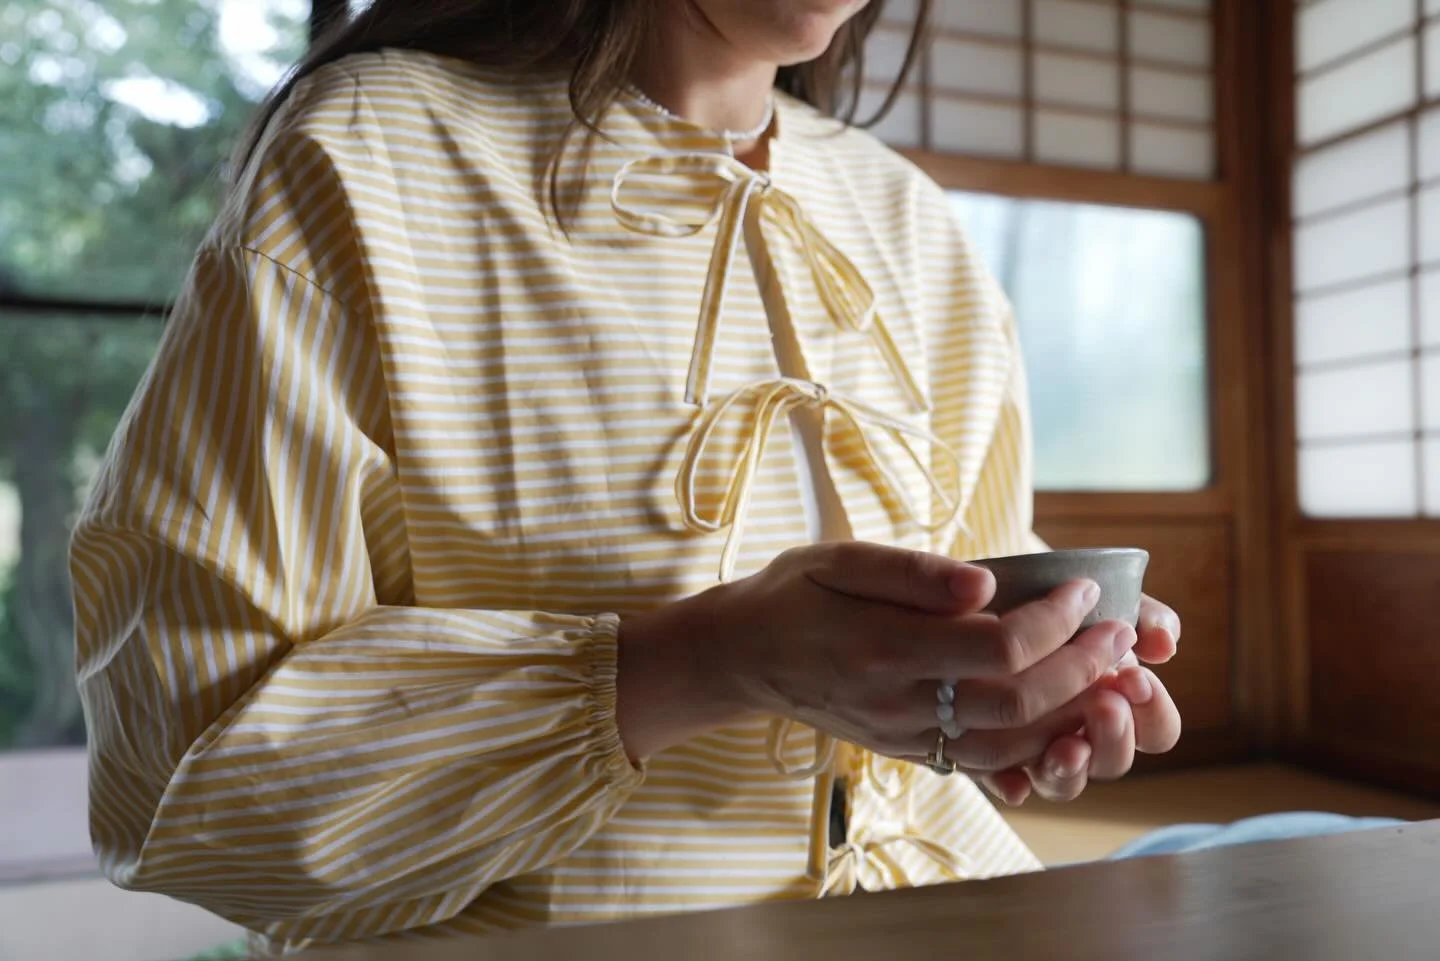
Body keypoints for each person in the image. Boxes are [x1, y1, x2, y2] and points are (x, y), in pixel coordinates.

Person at [70, 0, 1183, 954]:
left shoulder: (906, 216)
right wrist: (706, 658)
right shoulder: (370, 152)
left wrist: (1031, 691)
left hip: (940, 917)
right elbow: (182, 772)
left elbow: (962, 655)